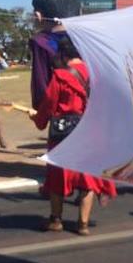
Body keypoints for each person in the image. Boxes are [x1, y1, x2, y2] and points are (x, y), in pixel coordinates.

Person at [30, 36, 116, 235]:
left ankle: (56, 220)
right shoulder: (97, 73)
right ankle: (83, 224)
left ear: (63, 54)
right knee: (88, 178)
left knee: (58, 176)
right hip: (92, 131)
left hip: (64, 133)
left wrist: (38, 119)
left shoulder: (60, 76)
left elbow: (49, 105)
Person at [28, 0, 81, 110]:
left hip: (62, 117)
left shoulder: (41, 43)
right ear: (80, 11)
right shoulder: (88, 38)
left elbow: (41, 86)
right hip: (95, 114)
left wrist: (39, 109)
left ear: (38, 16)